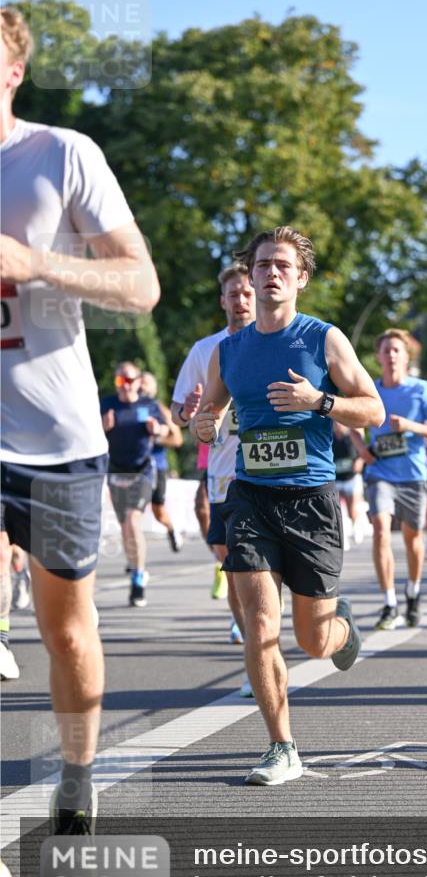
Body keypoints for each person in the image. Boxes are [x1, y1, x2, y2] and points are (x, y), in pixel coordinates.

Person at [0, 7, 160, 832]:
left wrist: (36, 263)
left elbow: (140, 285)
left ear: (13, 71)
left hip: (56, 435)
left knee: (67, 635)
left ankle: (76, 772)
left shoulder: (60, 153)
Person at [193, 226, 384, 785]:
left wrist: (319, 401)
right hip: (250, 496)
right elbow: (209, 415)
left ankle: (341, 630)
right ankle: (282, 746)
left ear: (300, 279)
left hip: (311, 501)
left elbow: (373, 410)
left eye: (282, 266)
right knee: (258, 624)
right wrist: (203, 423)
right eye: (262, 265)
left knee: (312, 641)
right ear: (249, 276)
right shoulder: (228, 350)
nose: (271, 273)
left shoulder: (323, 339)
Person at [173, 262, 256, 671]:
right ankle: (255, 656)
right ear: (222, 301)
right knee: (240, 570)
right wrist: (187, 411)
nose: (241, 301)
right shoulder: (205, 350)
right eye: (233, 294)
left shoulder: (281, 342)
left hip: (276, 473)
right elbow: (178, 412)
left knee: (267, 573)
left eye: (247, 293)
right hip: (225, 477)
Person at [351, 329, 427, 630]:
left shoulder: (421, 390)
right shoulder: (370, 390)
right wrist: (361, 449)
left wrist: (410, 426)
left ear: (406, 357)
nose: (391, 355)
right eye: (386, 350)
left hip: (413, 476)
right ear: (379, 357)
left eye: (397, 350)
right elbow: (351, 419)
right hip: (380, 473)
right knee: (380, 530)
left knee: (412, 538)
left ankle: (413, 593)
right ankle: (389, 602)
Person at [100, 362, 168, 606]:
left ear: (139, 382)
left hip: (142, 471)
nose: (125, 385)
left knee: (132, 520)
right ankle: (134, 566)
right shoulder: (107, 404)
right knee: (125, 527)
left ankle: (138, 579)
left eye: (129, 380)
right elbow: (90, 434)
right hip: (116, 470)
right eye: (120, 380)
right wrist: (102, 427)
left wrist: (157, 429)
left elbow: (167, 431)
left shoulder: (148, 405)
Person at [139, 371, 184, 551]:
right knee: (132, 511)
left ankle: (172, 530)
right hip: (134, 467)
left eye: (146, 383)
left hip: (156, 466)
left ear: (154, 389)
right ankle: (135, 552)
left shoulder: (161, 409)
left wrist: (155, 438)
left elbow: (177, 440)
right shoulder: (129, 407)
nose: (141, 386)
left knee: (158, 511)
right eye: (140, 382)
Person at [332, 421, 365, 550]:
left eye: (340, 424)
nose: (338, 426)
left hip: (352, 477)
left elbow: (362, 453)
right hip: (337, 478)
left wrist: (359, 462)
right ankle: (343, 536)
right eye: (335, 424)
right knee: (338, 509)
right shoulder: (330, 438)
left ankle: (356, 525)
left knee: (353, 507)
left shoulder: (352, 437)